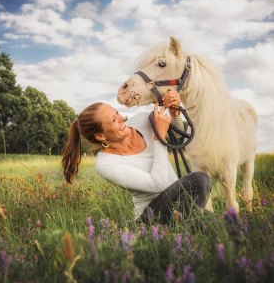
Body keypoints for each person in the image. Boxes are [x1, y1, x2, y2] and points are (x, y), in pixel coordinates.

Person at [62, 90, 211, 225]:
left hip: (179, 203)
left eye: (116, 113)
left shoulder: (142, 121)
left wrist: (174, 112)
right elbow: (158, 184)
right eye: (113, 120)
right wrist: (158, 137)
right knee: (199, 180)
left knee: (226, 226)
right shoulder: (105, 164)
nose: (121, 118)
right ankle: (179, 232)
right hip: (152, 217)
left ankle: (187, 227)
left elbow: (178, 134)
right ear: (101, 136)